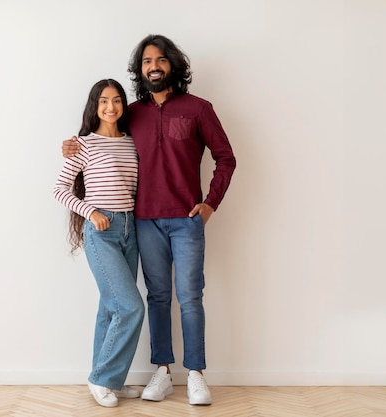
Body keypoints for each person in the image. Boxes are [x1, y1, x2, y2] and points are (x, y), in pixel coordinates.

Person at [63, 35, 236, 406]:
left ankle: (195, 374)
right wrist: (72, 145)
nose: (153, 66)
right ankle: (162, 371)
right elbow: (100, 137)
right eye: (146, 62)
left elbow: (226, 158)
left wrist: (210, 203)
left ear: (173, 64)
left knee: (190, 297)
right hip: (142, 222)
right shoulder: (133, 113)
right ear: (140, 70)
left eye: (160, 59)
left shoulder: (199, 108)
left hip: (187, 220)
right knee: (155, 299)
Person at [53, 79, 145, 408]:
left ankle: (110, 380)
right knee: (131, 307)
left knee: (111, 308)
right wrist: (90, 212)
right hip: (101, 231)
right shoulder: (83, 145)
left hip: (129, 229)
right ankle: (102, 378)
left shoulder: (132, 142)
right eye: (104, 101)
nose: (111, 107)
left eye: (117, 100)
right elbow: (60, 188)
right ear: (94, 105)